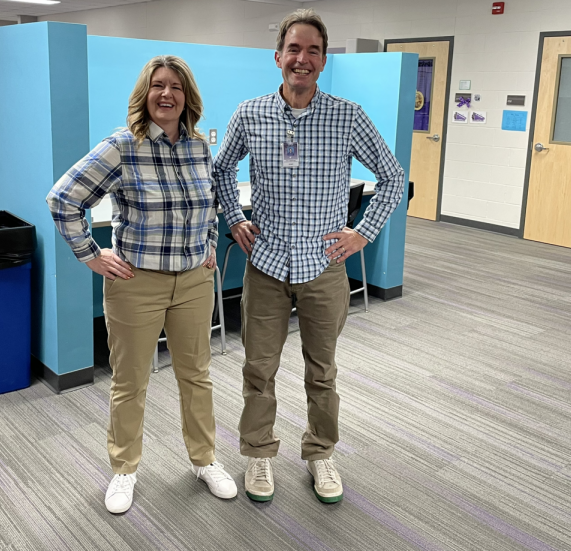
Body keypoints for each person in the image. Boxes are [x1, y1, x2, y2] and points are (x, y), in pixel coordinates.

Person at [213, 9, 405, 504]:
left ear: (323, 60)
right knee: (259, 368)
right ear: (278, 57)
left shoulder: (348, 116)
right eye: (294, 49)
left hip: (324, 267)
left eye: (313, 51)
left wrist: (362, 234)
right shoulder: (250, 113)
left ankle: (320, 453)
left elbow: (392, 177)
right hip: (268, 264)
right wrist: (235, 218)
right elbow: (219, 172)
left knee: (322, 370)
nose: (302, 59)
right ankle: (258, 453)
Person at [47, 55, 236, 514]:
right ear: (145, 95)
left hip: (193, 281)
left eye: (175, 86)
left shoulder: (198, 148)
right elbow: (63, 199)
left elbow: (208, 203)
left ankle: (204, 460)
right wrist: (91, 255)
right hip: (137, 283)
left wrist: (209, 243)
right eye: (157, 86)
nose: (166, 94)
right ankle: (125, 469)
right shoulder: (122, 146)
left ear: (187, 96)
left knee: (197, 376)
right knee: (130, 382)